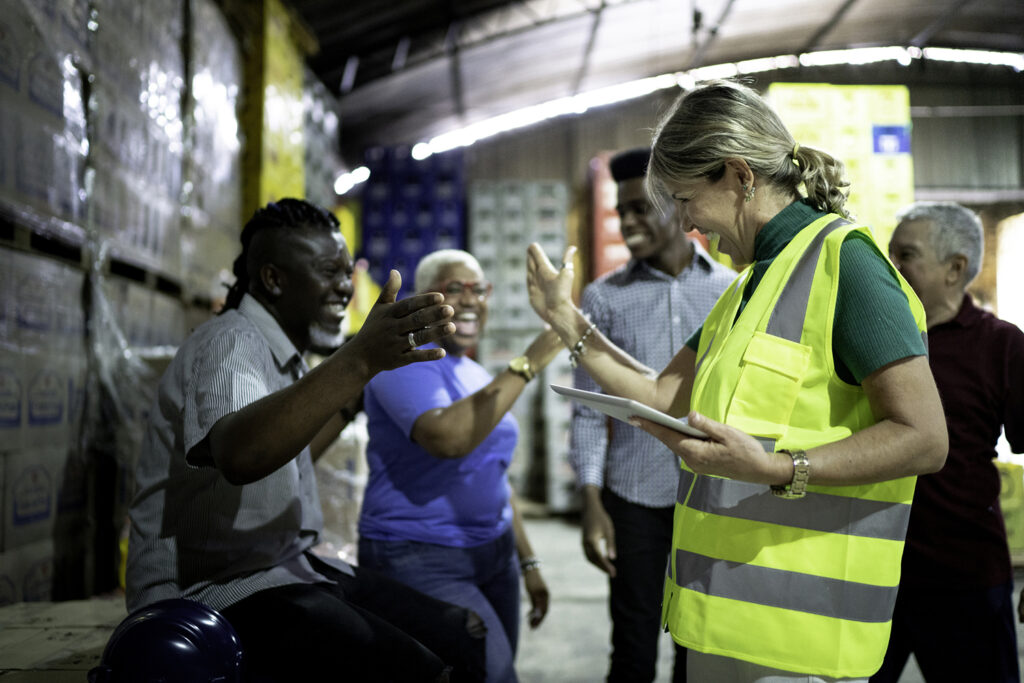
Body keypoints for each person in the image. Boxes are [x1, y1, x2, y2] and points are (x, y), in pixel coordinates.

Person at [525, 79, 948, 682]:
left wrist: (778, 468)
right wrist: (565, 319)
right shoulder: (751, 286)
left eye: (684, 199)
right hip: (727, 623)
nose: (686, 223)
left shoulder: (847, 265)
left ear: (736, 174)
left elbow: (926, 438)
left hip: (799, 638)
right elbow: (660, 395)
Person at [126, 199, 487, 682]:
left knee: (463, 630)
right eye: (328, 272)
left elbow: (289, 456)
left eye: (346, 272)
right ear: (274, 279)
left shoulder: (287, 354)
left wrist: (358, 387)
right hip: (217, 591)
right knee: (423, 672)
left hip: (282, 568)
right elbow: (241, 455)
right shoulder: (231, 342)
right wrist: (357, 360)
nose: (345, 287)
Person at [358, 248, 563, 683]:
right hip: (419, 555)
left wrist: (528, 564)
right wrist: (529, 362)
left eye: (479, 289)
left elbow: (493, 474)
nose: (470, 299)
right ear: (424, 298)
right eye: (455, 288)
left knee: (489, 670)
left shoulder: (472, 373)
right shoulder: (402, 362)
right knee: (494, 672)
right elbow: (446, 439)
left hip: (494, 554)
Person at [570, 147, 734, 683]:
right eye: (623, 210)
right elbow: (591, 413)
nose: (629, 221)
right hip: (632, 497)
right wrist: (591, 501)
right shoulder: (603, 298)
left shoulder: (730, 292)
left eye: (641, 207)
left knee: (700, 643)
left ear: (678, 208)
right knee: (633, 642)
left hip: (710, 493)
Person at [871, 202, 1024, 683]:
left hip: (966, 578)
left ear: (955, 268)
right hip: (874, 576)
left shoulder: (1001, 345)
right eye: (889, 255)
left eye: (906, 256)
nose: (891, 270)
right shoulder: (869, 337)